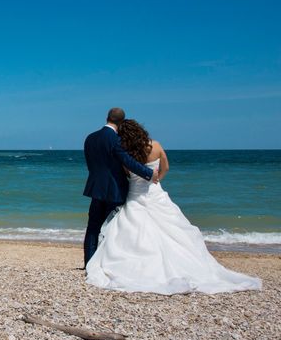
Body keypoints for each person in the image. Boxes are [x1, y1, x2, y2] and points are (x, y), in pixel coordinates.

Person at [86, 119, 262, 294]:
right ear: (141, 130)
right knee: (174, 231)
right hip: (155, 193)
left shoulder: (126, 152)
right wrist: (157, 181)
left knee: (133, 232)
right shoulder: (155, 145)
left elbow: (126, 173)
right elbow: (166, 167)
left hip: (135, 196)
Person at [82, 108, 159, 266]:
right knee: (111, 226)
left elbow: (91, 164)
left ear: (107, 118)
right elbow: (127, 161)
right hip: (114, 188)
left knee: (93, 226)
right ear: (121, 122)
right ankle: (105, 262)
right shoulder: (115, 140)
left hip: (96, 187)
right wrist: (149, 174)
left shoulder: (90, 138)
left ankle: (89, 263)